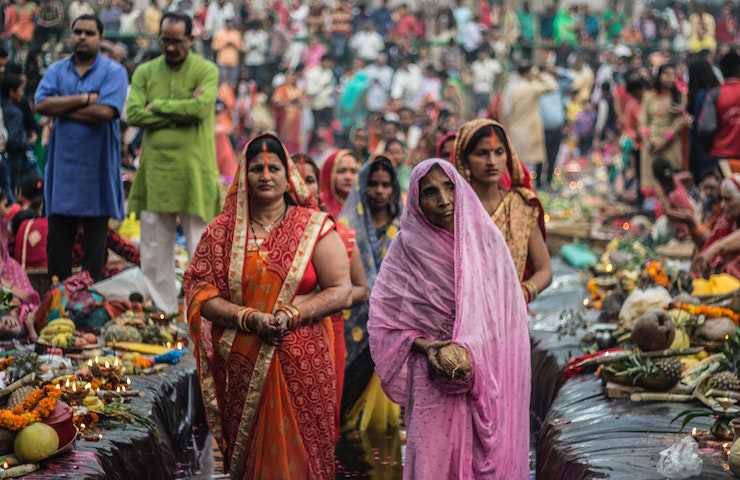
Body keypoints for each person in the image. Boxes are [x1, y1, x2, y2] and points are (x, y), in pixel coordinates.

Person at [184, 133, 352, 480]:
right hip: (244, 359)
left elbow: (340, 289)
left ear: (287, 174)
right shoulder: (221, 231)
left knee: (305, 453)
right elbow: (200, 291)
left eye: (273, 168)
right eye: (256, 168)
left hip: (303, 357)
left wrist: (293, 313)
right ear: (243, 176)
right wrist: (248, 318)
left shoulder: (313, 226)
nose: (265, 175)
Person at [368, 159, 530, 479]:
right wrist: (429, 347)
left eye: (449, 187)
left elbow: (507, 316)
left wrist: (474, 348)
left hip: (485, 374)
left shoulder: (487, 243)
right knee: (433, 463)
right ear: (415, 199)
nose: (442, 199)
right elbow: (385, 321)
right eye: (430, 192)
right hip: (432, 379)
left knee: (484, 461)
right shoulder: (405, 250)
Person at [127, 12, 220, 314]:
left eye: (176, 41)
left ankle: (204, 312)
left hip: (195, 170)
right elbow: (133, 114)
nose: (169, 47)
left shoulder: (206, 70)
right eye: (165, 40)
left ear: (191, 40)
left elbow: (200, 108)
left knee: (201, 245)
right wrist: (180, 110)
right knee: (154, 246)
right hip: (156, 170)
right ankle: (164, 311)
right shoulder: (145, 71)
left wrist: (158, 106)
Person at [34, 14, 128, 282]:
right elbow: (41, 104)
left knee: (94, 253)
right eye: (78, 32)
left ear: (100, 38)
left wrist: (61, 107)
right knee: (58, 248)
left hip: (97, 172)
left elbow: (107, 111)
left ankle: (90, 307)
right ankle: (56, 307)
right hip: (63, 173)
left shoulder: (114, 72)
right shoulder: (56, 70)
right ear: (71, 36)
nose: (83, 37)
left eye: (89, 33)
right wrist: (84, 98)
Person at [294, 152, 369, 431]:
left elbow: (361, 288)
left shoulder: (337, 232)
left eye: (310, 180)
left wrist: (330, 298)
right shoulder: (259, 235)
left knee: (319, 420)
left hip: (327, 332)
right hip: (273, 333)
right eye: (296, 179)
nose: (302, 186)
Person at [454, 119, 552, 301]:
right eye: (481, 153)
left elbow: (544, 270)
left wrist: (523, 293)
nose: (491, 161)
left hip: (511, 313)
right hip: (464, 311)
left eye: (498, 152)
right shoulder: (455, 208)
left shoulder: (521, 205)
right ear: (464, 159)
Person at [338, 156, 402, 432]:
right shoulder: (348, 227)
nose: (379, 191)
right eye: (373, 184)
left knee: (381, 424)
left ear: (394, 189)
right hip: (353, 322)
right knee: (347, 400)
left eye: (386, 185)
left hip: (392, 324)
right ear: (363, 188)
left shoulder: (405, 229)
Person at [500, 64, 557, 189]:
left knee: (517, 163)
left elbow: (505, 112)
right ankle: (533, 188)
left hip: (515, 131)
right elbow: (553, 86)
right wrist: (539, 74)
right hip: (531, 131)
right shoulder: (532, 87)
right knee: (535, 163)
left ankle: (517, 187)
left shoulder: (510, 88)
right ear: (528, 73)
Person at [640, 63, 690, 192]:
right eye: (666, 74)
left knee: (669, 185)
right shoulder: (649, 96)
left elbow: (680, 122)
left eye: (673, 75)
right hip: (650, 146)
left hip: (670, 145)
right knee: (652, 184)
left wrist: (664, 141)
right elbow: (643, 121)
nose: (670, 78)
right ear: (659, 75)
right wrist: (647, 141)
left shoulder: (679, 96)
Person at [693, 174, 740, 278]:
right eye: (721, 199)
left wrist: (716, 248)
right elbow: (707, 248)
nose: (722, 205)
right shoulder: (725, 223)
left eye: (728, 199)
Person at [319, 150, 360, 219]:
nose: (348, 177)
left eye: (353, 172)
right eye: (341, 171)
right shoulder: (320, 206)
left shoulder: (364, 206)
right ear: (329, 174)